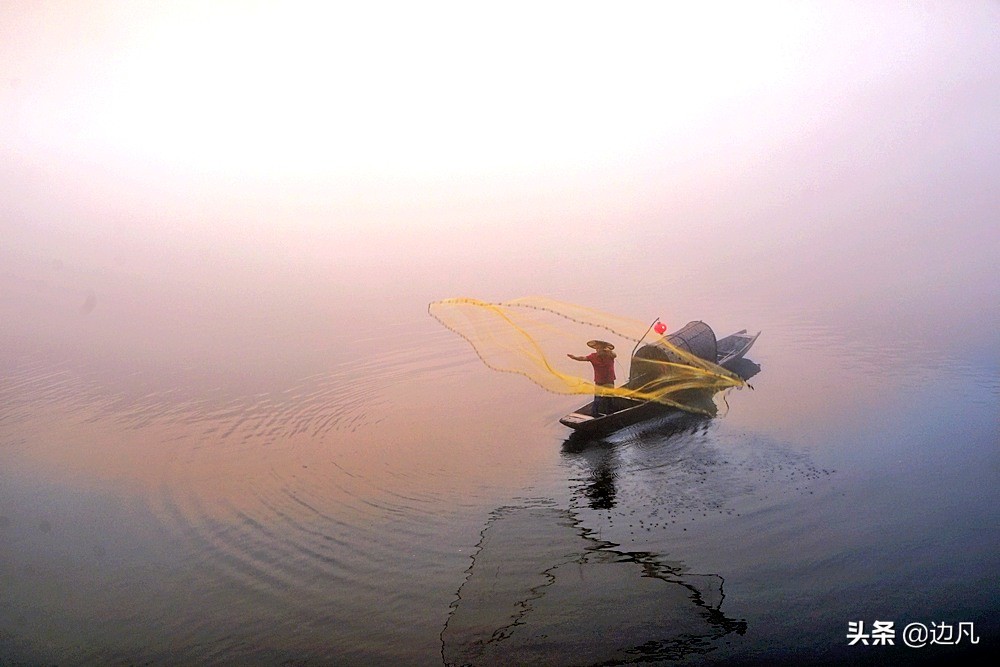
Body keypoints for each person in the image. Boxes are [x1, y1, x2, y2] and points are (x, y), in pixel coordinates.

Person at [568, 340, 617, 416]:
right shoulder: (593, 356)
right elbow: (583, 358)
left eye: (600, 349)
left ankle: (610, 415)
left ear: (604, 349)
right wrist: (574, 357)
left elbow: (615, 355)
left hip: (609, 381)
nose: (598, 350)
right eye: (597, 349)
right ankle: (595, 414)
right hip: (599, 382)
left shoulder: (609, 355)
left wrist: (609, 351)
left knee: (609, 399)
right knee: (597, 400)